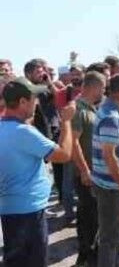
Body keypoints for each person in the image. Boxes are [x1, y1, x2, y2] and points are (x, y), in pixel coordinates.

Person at [0, 78, 75, 267]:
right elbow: (64, 154)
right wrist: (66, 122)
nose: (37, 102)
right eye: (34, 98)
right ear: (23, 102)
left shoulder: (6, 127)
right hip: (29, 212)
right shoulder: (23, 132)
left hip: (12, 210)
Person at [91, 73, 119, 267]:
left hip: (111, 185)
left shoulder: (115, 110)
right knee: (110, 239)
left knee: (115, 236)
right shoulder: (110, 116)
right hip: (112, 188)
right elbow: (109, 156)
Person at [71, 71, 106, 266]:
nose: (105, 90)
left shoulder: (91, 108)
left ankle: (91, 256)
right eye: (103, 86)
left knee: (94, 216)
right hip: (87, 174)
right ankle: (86, 257)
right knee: (88, 217)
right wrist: (84, 170)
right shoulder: (78, 108)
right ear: (95, 87)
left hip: (97, 173)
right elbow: (73, 143)